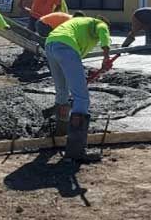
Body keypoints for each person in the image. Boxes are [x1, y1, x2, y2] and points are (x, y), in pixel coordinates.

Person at [44, 15, 113, 163]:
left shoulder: (79, 24)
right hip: (65, 47)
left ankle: (60, 133)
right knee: (81, 98)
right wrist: (106, 58)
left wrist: (79, 78)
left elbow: (73, 61)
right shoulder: (99, 23)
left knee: (62, 91)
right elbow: (104, 36)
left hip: (50, 44)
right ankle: (76, 151)